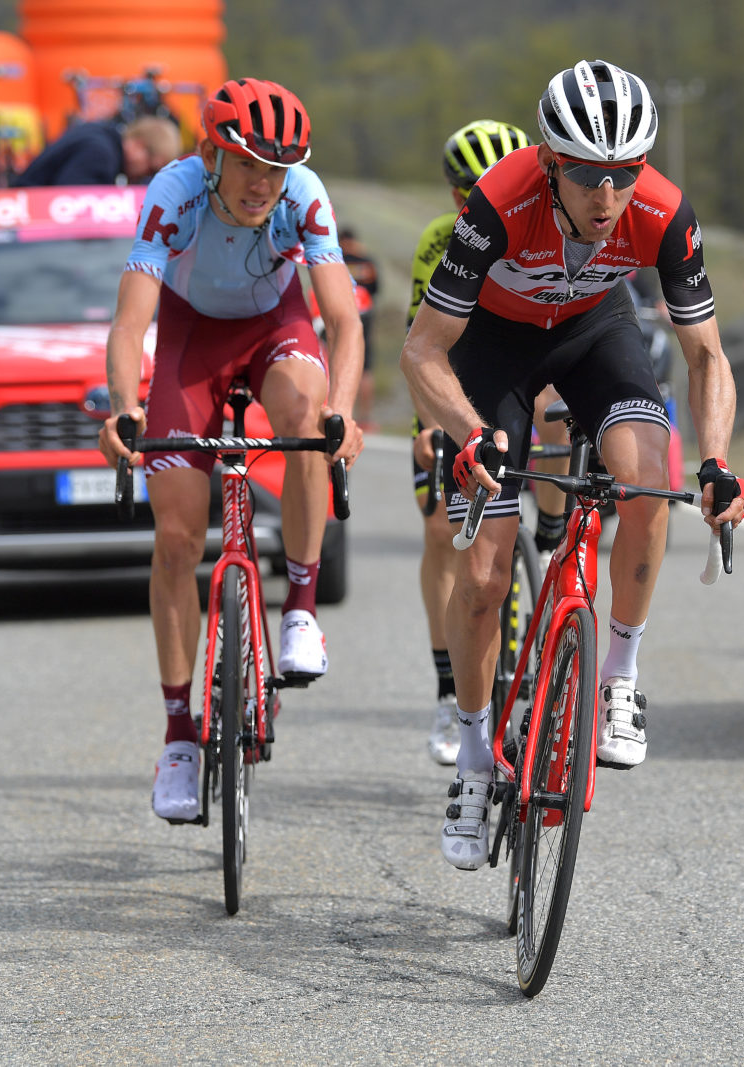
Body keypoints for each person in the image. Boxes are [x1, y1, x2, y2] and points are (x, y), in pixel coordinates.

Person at [400, 59, 744, 871]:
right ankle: (475, 758)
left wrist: (717, 460)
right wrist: (467, 431)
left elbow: (706, 357)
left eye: (624, 174)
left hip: (595, 331)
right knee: (484, 579)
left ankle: (619, 676)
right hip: (494, 348)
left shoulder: (662, 211)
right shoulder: (498, 203)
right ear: (551, 162)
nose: (608, 195)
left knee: (647, 477)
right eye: (589, 175)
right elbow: (422, 350)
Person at [97, 78, 365, 821]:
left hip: (274, 327)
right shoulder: (173, 192)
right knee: (178, 538)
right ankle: (179, 735)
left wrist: (343, 411)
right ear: (210, 155)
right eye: (247, 163)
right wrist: (123, 407)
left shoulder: (303, 195)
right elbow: (130, 323)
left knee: (307, 416)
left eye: (275, 169)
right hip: (192, 338)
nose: (262, 184)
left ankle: (300, 607)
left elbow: (343, 320)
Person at [403, 118, 531, 766]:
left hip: (518, 381)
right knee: (439, 530)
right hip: (451, 387)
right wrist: (430, 425)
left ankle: (550, 551)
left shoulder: (545, 227)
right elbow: (418, 342)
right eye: (473, 192)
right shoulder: (439, 238)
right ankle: (448, 688)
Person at [16, 115, 181, 187]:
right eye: (151, 169)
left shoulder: (100, 138)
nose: (145, 176)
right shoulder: (101, 154)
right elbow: (73, 209)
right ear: (138, 145)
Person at [339, 227, 381, 428]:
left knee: (338, 360)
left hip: (342, 312)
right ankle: (364, 417)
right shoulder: (366, 261)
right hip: (365, 313)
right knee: (365, 366)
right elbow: (376, 288)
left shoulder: (337, 259)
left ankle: (342, 413)